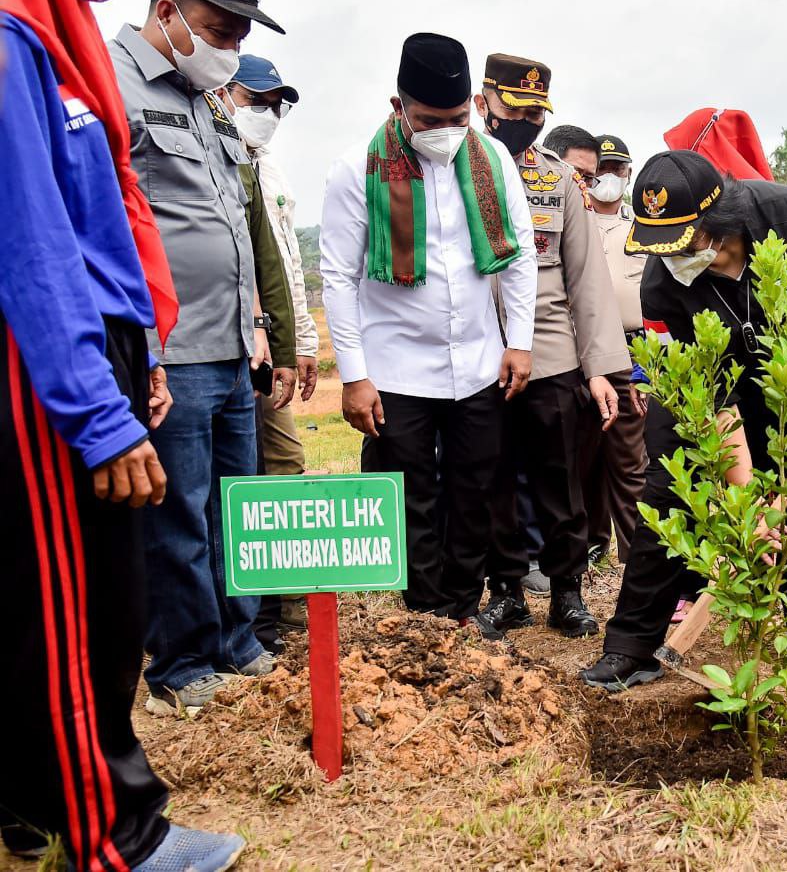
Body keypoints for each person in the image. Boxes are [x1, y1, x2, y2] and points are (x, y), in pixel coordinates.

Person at [0, 0, 244, 866]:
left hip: (95, 352)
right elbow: (33, 245)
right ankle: (114, 838)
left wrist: (133, 356)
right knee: (75, 618)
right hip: (48, 371)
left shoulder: (48, 39)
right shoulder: (10, 40)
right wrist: (97, 416)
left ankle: (33, 818)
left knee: (70, 609)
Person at [581, 151, 787, 690]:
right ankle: (632, 645)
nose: (668, 259)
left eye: (680, 242)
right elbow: (716, 406)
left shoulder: (785, 213)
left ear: (716, 223)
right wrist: (749, 505)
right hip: (704, 393)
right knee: (672, 493)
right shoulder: (662, 285)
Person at [108, 0, 297, 718]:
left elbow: (234, 223)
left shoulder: (207, 100)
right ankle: (181, 663)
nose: (233, 51)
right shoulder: (110, 85)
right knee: (180, 512)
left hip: (228, 346)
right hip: (170, 350)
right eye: (221, 30)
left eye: (241, 37)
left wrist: (259, 321)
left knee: (236, 505)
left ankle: (235, 638)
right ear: (166, 12)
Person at [321, 33, 537, 626]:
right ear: (398, 108)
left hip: (478, 362)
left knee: (476, 491)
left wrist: (519, 340)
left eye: (458, 117)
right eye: (428, 120)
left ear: (471, 104)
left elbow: (518, 257)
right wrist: (355, 377)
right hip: (396, 368)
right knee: (410, 496)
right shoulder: (354, 171)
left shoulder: (492, 161)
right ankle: (425, 614)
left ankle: (463, 610)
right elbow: (337, 277)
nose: (446, 130)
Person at [474, 58, 630, 640]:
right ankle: (507, 592)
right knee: (490, 481)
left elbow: (586, 279)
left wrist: (601, 371)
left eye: (537, 110)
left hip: (551, 351)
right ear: (484, 98)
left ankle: (567, 593)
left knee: (560, 481)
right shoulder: (458, 167)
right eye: (515, 107)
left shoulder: (557, 179)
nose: (527, 120)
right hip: (479, 355)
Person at [229, 54, 317, 646]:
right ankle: (241, 612)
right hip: (233, 340)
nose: (267, 113)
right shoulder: (221, 164)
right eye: (255, 100)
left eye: (275, 104)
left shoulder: (272, 173)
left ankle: (284, 608)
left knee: (283, 466)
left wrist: (301, 340)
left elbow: (285, 265)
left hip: (272, 346)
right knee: (232, 478)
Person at [548, 128, 647, 564]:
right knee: (576, 460)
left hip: (630, 355)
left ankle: (639, 555)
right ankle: (585, 551)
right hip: (571, 353)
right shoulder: (567, 220)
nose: (605, 179)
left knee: (630, 462)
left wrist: (647, 366)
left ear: (628, 174)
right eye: (596, 172)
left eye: (614, 171)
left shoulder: (643, 229)